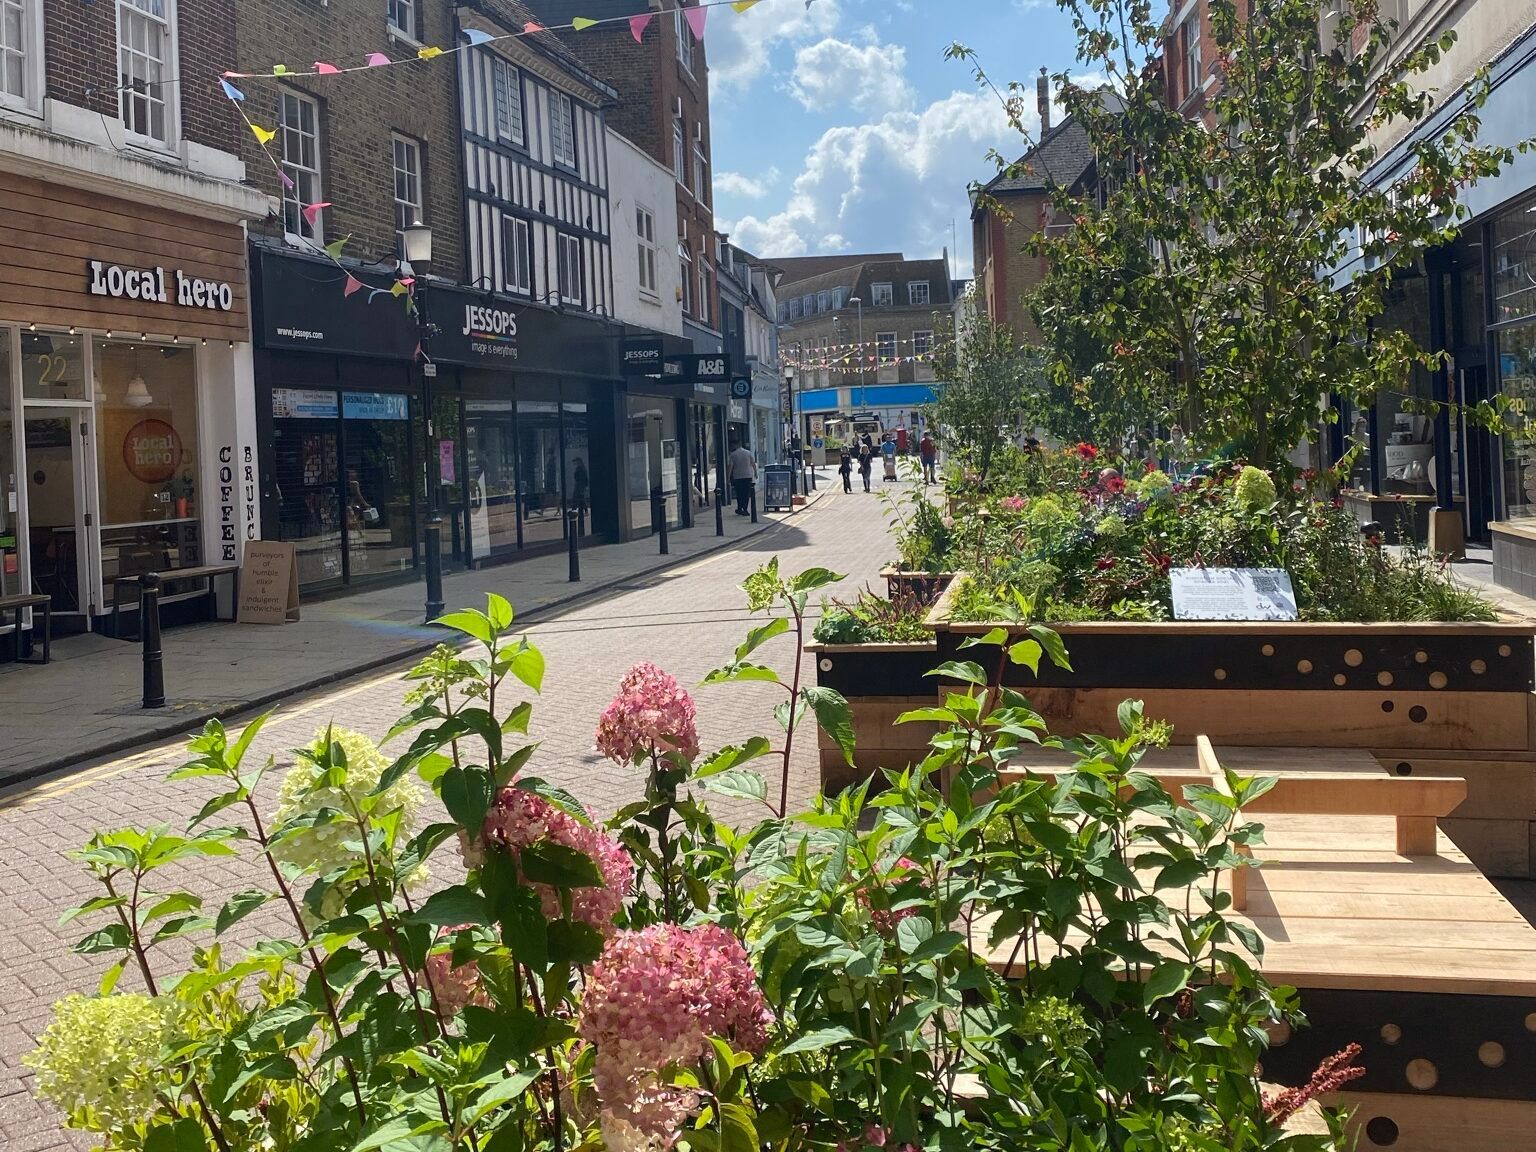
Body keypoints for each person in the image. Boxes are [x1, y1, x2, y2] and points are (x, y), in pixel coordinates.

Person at [728, 437, 756, 515]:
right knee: (746, 493)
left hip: (738, 477)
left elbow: (730, 466)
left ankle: (740, 508)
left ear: (735, 445)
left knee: (739, 493)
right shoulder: (748, 452)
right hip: (748, 476)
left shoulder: (733, 455)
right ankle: (745, 508)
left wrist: (728, 477)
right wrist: (755, 473)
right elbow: (753, 464)